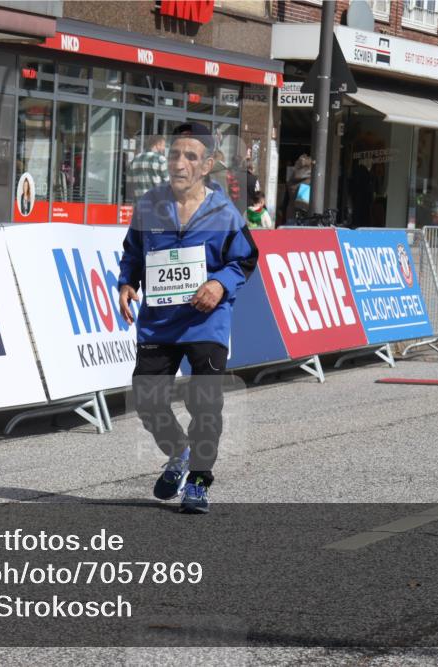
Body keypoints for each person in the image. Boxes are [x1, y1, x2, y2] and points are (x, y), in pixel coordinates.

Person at [117, 122, 258, 514]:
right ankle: (178, 452)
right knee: (147, 400)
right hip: (159, 322)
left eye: (191, 156)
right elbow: (132, 251)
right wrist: (126, 283)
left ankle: (198, 480)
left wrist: (219, 284)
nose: (180, 163)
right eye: (174, 154)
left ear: (208, 164)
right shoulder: (149, 205)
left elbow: (246, 259)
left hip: (205, 321)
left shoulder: (224, 212)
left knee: (205, 404)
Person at [127, 135, 168, 201]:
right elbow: (168, 182)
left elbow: (129, 182)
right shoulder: (161, 159)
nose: (164, 148)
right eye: (163, 145)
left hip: (139, 202)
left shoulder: (136, 159)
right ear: (158, 144)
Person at [280, 154, 312, 225]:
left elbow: (286, 199)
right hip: (306, 215)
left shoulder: (292, 178)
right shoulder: (311, 179)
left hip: (291, 213)